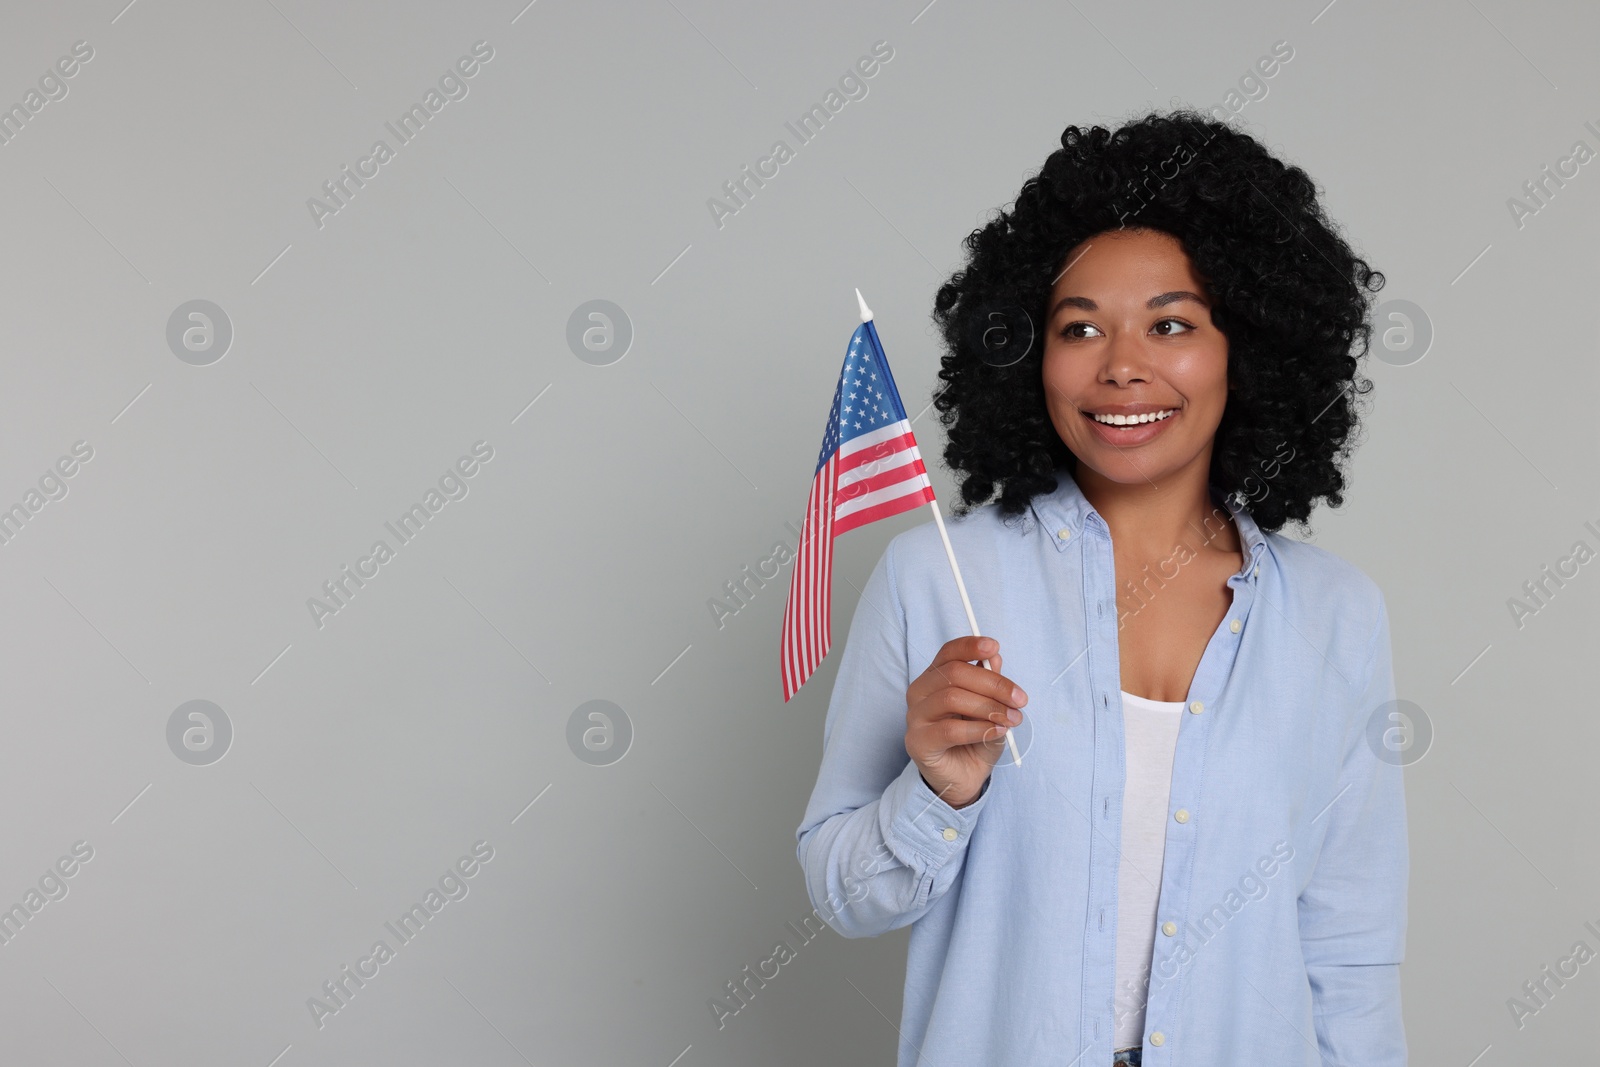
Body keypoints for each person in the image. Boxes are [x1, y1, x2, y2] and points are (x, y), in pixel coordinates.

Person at [794, 110, 1407, 1067]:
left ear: (1248, 347)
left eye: (1171, 323)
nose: (1123, 365)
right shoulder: (940, 581)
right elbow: (841, 894)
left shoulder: (1337, 614)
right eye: (1079, 327)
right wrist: (940, 792)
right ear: (1027, 355)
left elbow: (1349, 947)